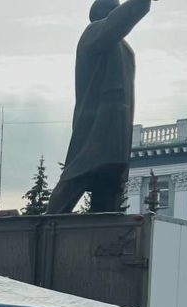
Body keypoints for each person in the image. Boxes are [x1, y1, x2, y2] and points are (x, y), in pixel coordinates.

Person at [47, 0, 153, 214]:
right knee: (78, 175)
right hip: (97, 124)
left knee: (109, 186)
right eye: (114, 9)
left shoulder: (121, 46)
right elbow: (122, 19)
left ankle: (104, 240)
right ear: (104, 14)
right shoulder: (94, 33)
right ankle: (42, 231)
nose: (118, 11)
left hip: (117, 128)